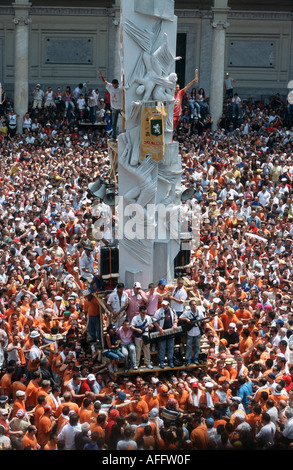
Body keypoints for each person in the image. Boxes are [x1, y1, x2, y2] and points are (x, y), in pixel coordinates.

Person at [153, 300, 179, 369]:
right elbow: (155, 321)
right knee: (162, 348)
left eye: (165, 305)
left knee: (170, 347)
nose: (163, 306)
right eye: (163, 305)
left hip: (170, 331)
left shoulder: (172, 310)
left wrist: (175, 324)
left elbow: (176, 318)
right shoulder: (158, 311)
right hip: (162, 332)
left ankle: (170, 361)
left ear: (168, 304)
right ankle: (161, 362)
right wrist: (160, 329)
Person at [98, 70, 122, 141]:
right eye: (114, 85)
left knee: (126, 120)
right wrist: (100, 75)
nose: (115, 86)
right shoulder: (110, 87)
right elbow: (104, 81)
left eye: (116, 85)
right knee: (113, 123)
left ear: (117, 84)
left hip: (121, 108)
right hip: (114, 108)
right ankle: (114, 137)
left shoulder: (120, 89)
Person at [180, 299, 205, 365]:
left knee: (197, 346)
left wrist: (210, 319)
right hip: (190, 331)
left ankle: (195, 359)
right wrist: (186, 319)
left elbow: (203, 320)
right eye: (193, 305)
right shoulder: (187, 312)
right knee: (189, 346)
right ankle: (188, 360)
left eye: (195, 304)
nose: (194, 306)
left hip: (197, 331)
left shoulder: (199, 312)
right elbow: (180, 318)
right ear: (190, 306)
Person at [130, 304, 154, 369]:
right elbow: (131, 326)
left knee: (147, 349)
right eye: (143, 313)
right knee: (138, 350)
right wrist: (137, 329)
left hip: (146, 334)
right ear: (140, 312)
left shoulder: (148, 318)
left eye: (145, 312)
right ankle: (136, 364)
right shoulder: (135, 318)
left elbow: (151, 326)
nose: (144, 314)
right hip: (138, 336)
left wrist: (151, 327)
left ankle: (147, 363)